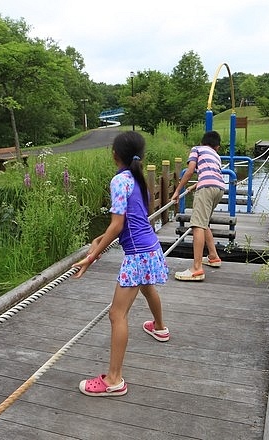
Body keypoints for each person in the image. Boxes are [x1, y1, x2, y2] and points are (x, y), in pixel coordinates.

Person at [72, 131, 169, 397]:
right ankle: (159, 328)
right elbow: (132, 221)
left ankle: (114, 379)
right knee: (148, 288)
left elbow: (118, 225)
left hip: (137, 254)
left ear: (114, 154)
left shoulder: (119, 180)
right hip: (150, 247)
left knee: (117, 315)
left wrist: (91, 258)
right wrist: (101, 239)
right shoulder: (138, 180)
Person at [171, 130, 224, 281]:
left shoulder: (197, 149)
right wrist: (193, 187)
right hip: (219, 188)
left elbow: (189, 171)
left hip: (207, 189)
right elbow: (211, 175)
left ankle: (196, 268)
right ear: (217, 147)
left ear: (202, 142)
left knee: (197, 225)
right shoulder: (216, 156)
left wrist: (177, 191)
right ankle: (213, 256)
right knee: (204, 222)